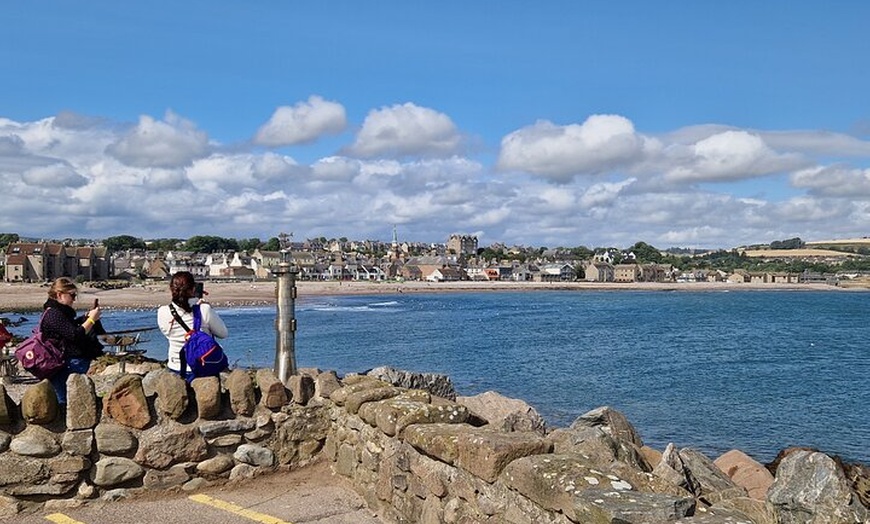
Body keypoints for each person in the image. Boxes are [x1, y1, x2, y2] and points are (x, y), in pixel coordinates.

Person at [40, 277, 104, 405]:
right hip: (63, 363)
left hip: (65, 362)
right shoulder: (54, 314)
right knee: (66, 400)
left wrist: (86, 318)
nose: (74, 299)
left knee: (69, 398)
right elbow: (74, 335)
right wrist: (91, 320)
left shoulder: (59, 313)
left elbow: (70, 328)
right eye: (72, 295)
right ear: (59, 295)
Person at [156, 272, 228, 377]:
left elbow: (167, 334)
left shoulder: (162, 311)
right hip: (203, 367)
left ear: (171, 289)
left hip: (176, 367)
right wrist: (204, 307)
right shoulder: (204, 310)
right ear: (193, 289)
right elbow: (223, 334)